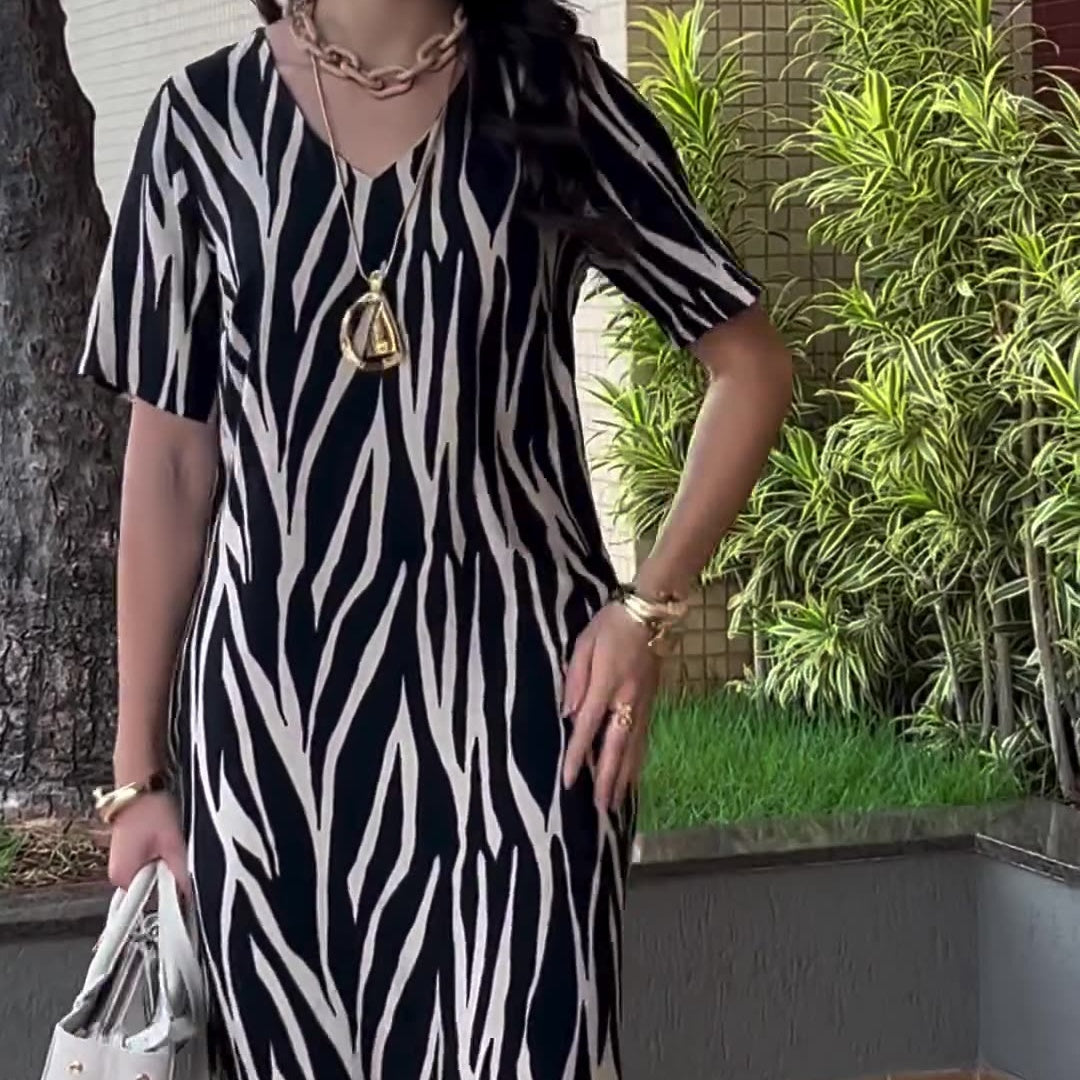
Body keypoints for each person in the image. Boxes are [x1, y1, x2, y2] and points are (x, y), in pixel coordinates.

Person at [80, 0, 792, 1077]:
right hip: (273, 740)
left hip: (523, 716)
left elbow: (752, 368)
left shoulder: (554, 99)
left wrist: (645, 610)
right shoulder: (201, 124)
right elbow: (170, 466)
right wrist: (138, 777)